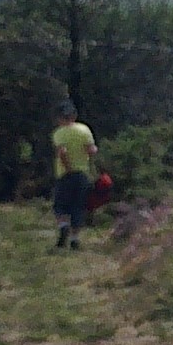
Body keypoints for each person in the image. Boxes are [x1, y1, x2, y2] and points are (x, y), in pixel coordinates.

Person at [49, 103, 97, 250]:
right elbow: (92, 150)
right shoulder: (84, 129)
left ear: (60, 118)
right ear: (74, 116)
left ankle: (63, 227)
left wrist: (68, 167)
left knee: (60, 206)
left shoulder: (59, 133)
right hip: (83, 174)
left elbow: (62, 152)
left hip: (65, 174)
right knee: (78, 207)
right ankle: (75, 239)